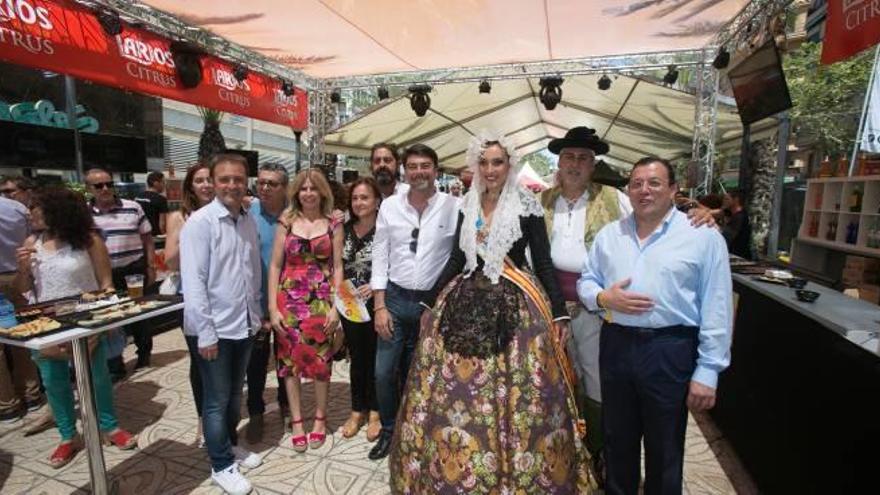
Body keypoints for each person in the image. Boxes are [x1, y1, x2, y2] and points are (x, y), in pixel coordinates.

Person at [389, 132, 589, 493]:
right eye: (483, 162)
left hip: (515, 304)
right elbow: (455, 258)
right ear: (475, 166)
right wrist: (429, 301)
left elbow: (542, 262)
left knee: (517, 394)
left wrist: (558, 314)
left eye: (497, 162)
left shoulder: (526, 205)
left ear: (509, 165)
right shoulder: (466, 203)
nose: (490, 169)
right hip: (463, 299)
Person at [540, 127, 716, 486]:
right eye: (569, 157)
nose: (575, 164)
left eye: (584, 158)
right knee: (553, 382)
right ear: (559, 162)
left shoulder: (616, 198)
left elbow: (655, 208)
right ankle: (561, 460)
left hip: (600, 314)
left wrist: (699, 211)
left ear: (594, 165)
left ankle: (597, 456)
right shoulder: (539, 201)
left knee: (597, 387)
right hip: (548, 310)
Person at [577, 157, 733, 495]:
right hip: (616, 344)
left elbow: (717, 305)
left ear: (674, 190)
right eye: (636, 184)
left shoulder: (702, 236)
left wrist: (708, 370)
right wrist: (604, 298)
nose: (644, 190)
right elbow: (586, 280)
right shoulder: (610, 235)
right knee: (618, 439)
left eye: (654, 183)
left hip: (669, 348)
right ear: (628, 190)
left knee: (665, 445)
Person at [13, 187, 137, 468]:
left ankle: (109, 426)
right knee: (54, 383)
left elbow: (106, 285)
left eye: (37, 207)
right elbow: (24, 291)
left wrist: (102, 326)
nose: (30, 213)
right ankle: (68, 436)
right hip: (46, 325)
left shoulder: (88, 241)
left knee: (98, 379)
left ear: (59, 210)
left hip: (86, 321)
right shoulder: (32, 241)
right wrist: (22, 269)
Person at [369, 143, 461, 460]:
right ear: (404, 171)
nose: (419, 171)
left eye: (425, 165)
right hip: (394, 298)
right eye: (413, 166)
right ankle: (390, 430)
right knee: (383, 373)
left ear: (436, 169)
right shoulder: (390, 207)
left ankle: (415, 431)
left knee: (418, 372)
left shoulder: (455, 206)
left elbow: (459, 258)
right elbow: (379, 256)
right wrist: (379, 305)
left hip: (432, 304)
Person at [180, 154, 263, 495]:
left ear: (246, 182)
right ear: (213, 183)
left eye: (238, 179)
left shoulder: (246, 220)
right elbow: (194, 281)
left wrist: (255, 316)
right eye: (225, 179)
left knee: (233, 396)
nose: (232, 185)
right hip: (213, 329)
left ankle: (228, 445)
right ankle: (220, 465)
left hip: (243, 325)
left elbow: (251, 271)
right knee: (215, 400)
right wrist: (206, 333)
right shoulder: (200, 223)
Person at [268, 168, 343, 453]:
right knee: (289, 366)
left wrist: (337, 307)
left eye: (314, 188)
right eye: (303, 189)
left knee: (321, 365)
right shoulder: (286, 221)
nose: (308, 193)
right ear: (296, 192)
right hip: (289, 301)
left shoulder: (334, 222)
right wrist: (272, 308)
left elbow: (337, 266)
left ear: (322, 191)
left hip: (322, 301)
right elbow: (275, 265)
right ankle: (298, 421)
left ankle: (320, 420)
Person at [86, 168, 155, 374]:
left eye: (109, 184)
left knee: (139, 314)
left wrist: (151, 266)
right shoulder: (84, 213)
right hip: (102, 276)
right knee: (109, 317)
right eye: (99, 186)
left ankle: (144, 354)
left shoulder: (133, 207)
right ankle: (115, 362)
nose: (105, 189)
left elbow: (147, 239)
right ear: (89, 188)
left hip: (133, 270)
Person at [164, 163, 214, 448]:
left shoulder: (229, 213)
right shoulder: (179, 217)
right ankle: (202, 420)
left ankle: (219, 418)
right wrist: (194, 232)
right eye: (200, 180)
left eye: (210, 180)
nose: (206, 185)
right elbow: (170, 261)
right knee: (199, 360)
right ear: (190, 187)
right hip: (193, 297)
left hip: (222, 298)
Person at [244, 163, 290, 444]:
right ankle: (256, 412)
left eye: (272, 183)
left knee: (286, 360)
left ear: (284, 187)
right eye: (261, 182)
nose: (264, 188)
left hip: (289, 304)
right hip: (256, 304)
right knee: (256, 364)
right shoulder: (246, 214)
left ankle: (287, 407)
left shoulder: (295, 215)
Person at [339, 178, 382, 441]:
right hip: (349, 304)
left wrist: (375, 287)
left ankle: (376, 411)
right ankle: (357, 410)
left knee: (377, 359)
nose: (359, 203)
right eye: (355, 198)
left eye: (365, 197)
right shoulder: (343, 229)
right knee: (357, 358)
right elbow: (336, 265)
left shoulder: (386, 229)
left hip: (376, 303)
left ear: (377, 201)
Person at [0, 195, 44, 423]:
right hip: (17, 275)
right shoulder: (15, 207)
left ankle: (7, 405)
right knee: (23, 338)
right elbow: (34, 236)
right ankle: (32, 394)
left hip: (20, 274)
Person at [135, 171, 169, 235]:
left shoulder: (138, 197)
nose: (164, 185)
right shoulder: (161, 199)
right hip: (155, 236)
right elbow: (162, 224)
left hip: (141, 235)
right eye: (163, 182)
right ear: (156, 183)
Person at [722, 190, 752, 259]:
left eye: (727, 199)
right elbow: (711, 212)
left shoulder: (740, 216)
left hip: (739, 255)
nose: (724, 201)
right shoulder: (730, 213)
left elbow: (728, 236)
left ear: (735, 200)